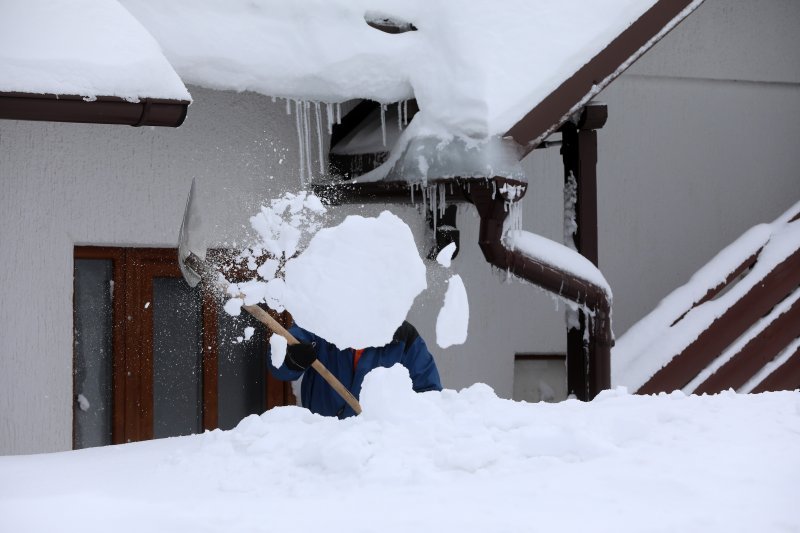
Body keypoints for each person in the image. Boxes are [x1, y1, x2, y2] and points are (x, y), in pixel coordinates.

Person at [268, 320, 442, 418]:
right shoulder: (322, 322)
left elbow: (430, 395)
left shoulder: (403, 339)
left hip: (379, 451)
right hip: (320, 444)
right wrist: (291, 357)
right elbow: (280, 362)